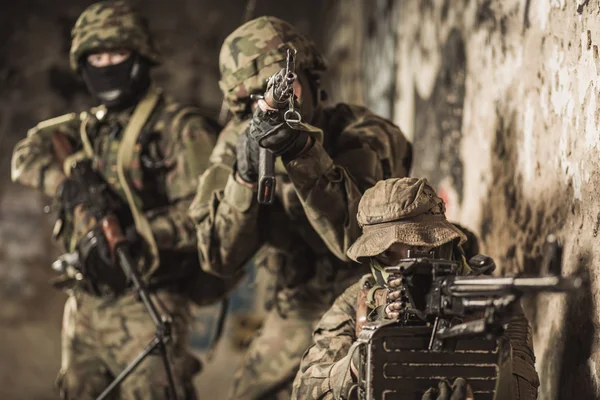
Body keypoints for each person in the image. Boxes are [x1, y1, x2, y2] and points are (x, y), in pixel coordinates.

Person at [188, 16, 413, 400]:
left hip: (372, 293)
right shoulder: (236, 142)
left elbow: (364, 243)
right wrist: (243, 178)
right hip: (298, 304)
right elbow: (217, 257)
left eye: (285, 83)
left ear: (311, 81)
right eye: (256, 96)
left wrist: (300, 152)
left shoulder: (365, 133)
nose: (273, 101)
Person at [11, 1, 225, 398]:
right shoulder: (89, 127)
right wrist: (65, 183)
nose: (106, 64)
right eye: (96, 56)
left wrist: (136, 234)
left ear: (141, 55)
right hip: (86, 304)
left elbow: (207, 218)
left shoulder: (181, 129)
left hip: (148, 300)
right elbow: (24, 157)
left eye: (117, 53)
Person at [291, 177, 540, 400]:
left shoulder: (488, 299)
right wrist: (356, 367)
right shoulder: (358, 301)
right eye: (388, 255)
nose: (404, 266)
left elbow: (522, 389)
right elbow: (305, 390)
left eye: (421, 249)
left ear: (444, 243)